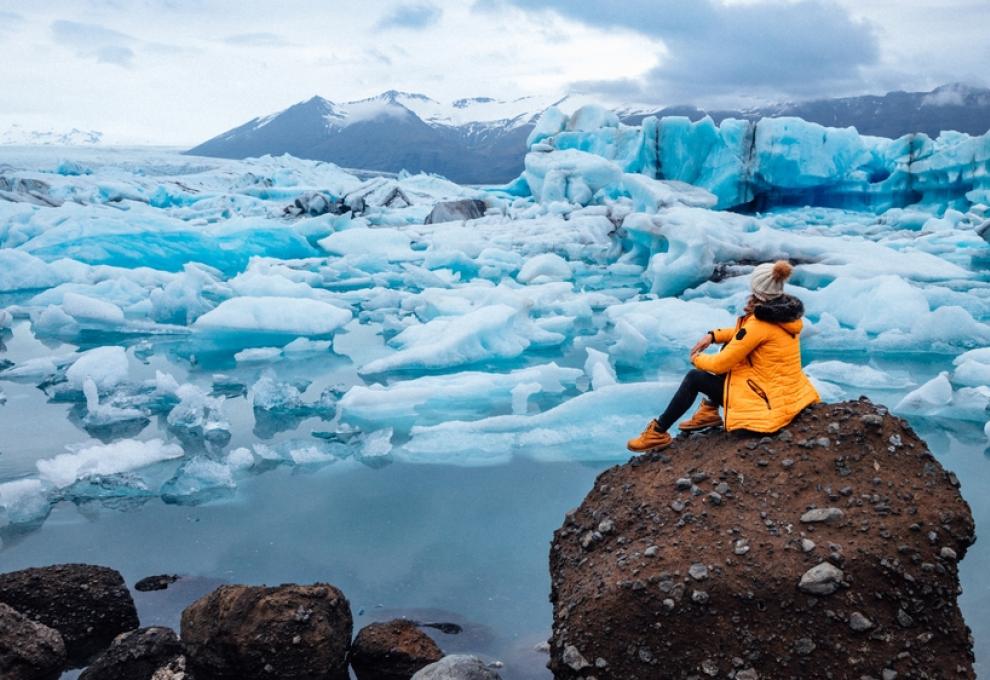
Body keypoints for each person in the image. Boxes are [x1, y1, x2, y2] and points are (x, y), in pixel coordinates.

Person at [627, 260, 820, 453]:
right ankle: (709, 411)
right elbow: (744, 334)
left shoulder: (759, 325)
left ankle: (657, 433)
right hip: (783, 394)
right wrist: (714, 335)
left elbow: (720, 364)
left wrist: (696, 357)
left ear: (756, 288)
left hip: (765, 404)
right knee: (730, 345)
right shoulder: (784, 316)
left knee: (694, 378)